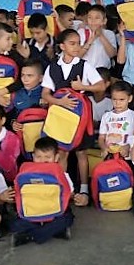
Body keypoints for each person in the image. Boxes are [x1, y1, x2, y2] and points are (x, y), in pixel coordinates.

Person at [41, 29, 106, 206]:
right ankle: (62, 186)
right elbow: (46, 94)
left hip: (80, 115)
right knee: (62, 151)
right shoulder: (52, 67)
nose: (77, 47)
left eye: (78, 43)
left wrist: (82, 86)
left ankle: (83, 187)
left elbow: (100, 86)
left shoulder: (84, 65)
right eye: (72, 43)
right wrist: (58, 102)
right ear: (62, 46)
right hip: (60, 115)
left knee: (81, 151)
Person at [11, 137, 75, 246]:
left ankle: (30, 236)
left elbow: (70, 194)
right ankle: (53, 232)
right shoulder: (26, 174)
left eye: (47, 157)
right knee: (14, 223)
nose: (43, 161)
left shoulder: (62, 174)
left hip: (53, 213)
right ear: (33, 157)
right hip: (31, 214)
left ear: (56, 157)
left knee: (68, 218)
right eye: (39, 157)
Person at [99, 81, 134, 159]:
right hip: (110, 156)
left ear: (130, 98)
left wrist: (128, 145)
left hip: (127, 157)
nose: (117, 103)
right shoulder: (106, 116)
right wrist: (104, 148)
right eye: (114, 99)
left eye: (121, 99)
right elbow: (101, 137)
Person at [80, 5, 118, 69]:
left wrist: (101, 36)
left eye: (97, 18)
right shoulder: (81, 32)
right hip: (85, 71)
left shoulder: (109, 34)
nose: (93, 21)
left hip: (103, 71)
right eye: (90, 17)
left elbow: (112, 54)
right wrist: (90, 41)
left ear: (104, 21)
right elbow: (78, 55)